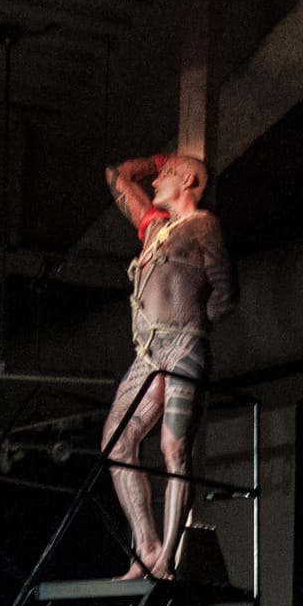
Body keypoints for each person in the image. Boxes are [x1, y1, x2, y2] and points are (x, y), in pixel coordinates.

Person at [100, 152, 238, 579]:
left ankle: (167, 558)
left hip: (183, 346)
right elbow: (117, 176)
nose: (156, 182)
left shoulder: (203, 225)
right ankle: (146, 546)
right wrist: (162, 160)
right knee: (116, 444)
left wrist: (193, 323)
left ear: (189, 181)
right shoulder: (155, 227)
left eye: (166, 176)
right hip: (148, 353)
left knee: (174, 448)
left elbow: (225, 291)